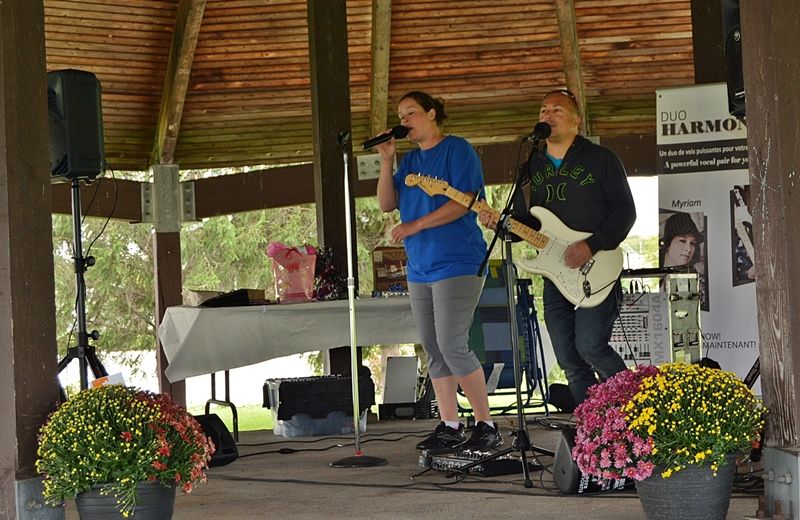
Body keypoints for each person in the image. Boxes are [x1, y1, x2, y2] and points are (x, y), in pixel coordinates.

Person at [480, 89, 636, 406]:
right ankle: (590, 429)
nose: (547, 115)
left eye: (556, 110)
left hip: (597, 264)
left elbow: (625, 212)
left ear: (576, 121)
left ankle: (637, 409)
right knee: (567, 357)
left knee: (591, 346)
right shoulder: (532, 164)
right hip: (555, 274)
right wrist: (501, 225)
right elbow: (529, 224)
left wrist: (591, 245)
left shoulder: (600, 159)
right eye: (543, 110)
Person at [375, 91, 502, 453]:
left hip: (458, 260)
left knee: (452, 342)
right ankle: (449, 423)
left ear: (432, 114)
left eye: (411, 113)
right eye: (401, 115)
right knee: (432, 346)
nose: (404, 120)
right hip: (420, 266)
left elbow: (463, 202)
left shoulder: (457, 150)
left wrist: (415, 226)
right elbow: (387, 204)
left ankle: (486, 425)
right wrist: (387, 161)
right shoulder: (410, 160)